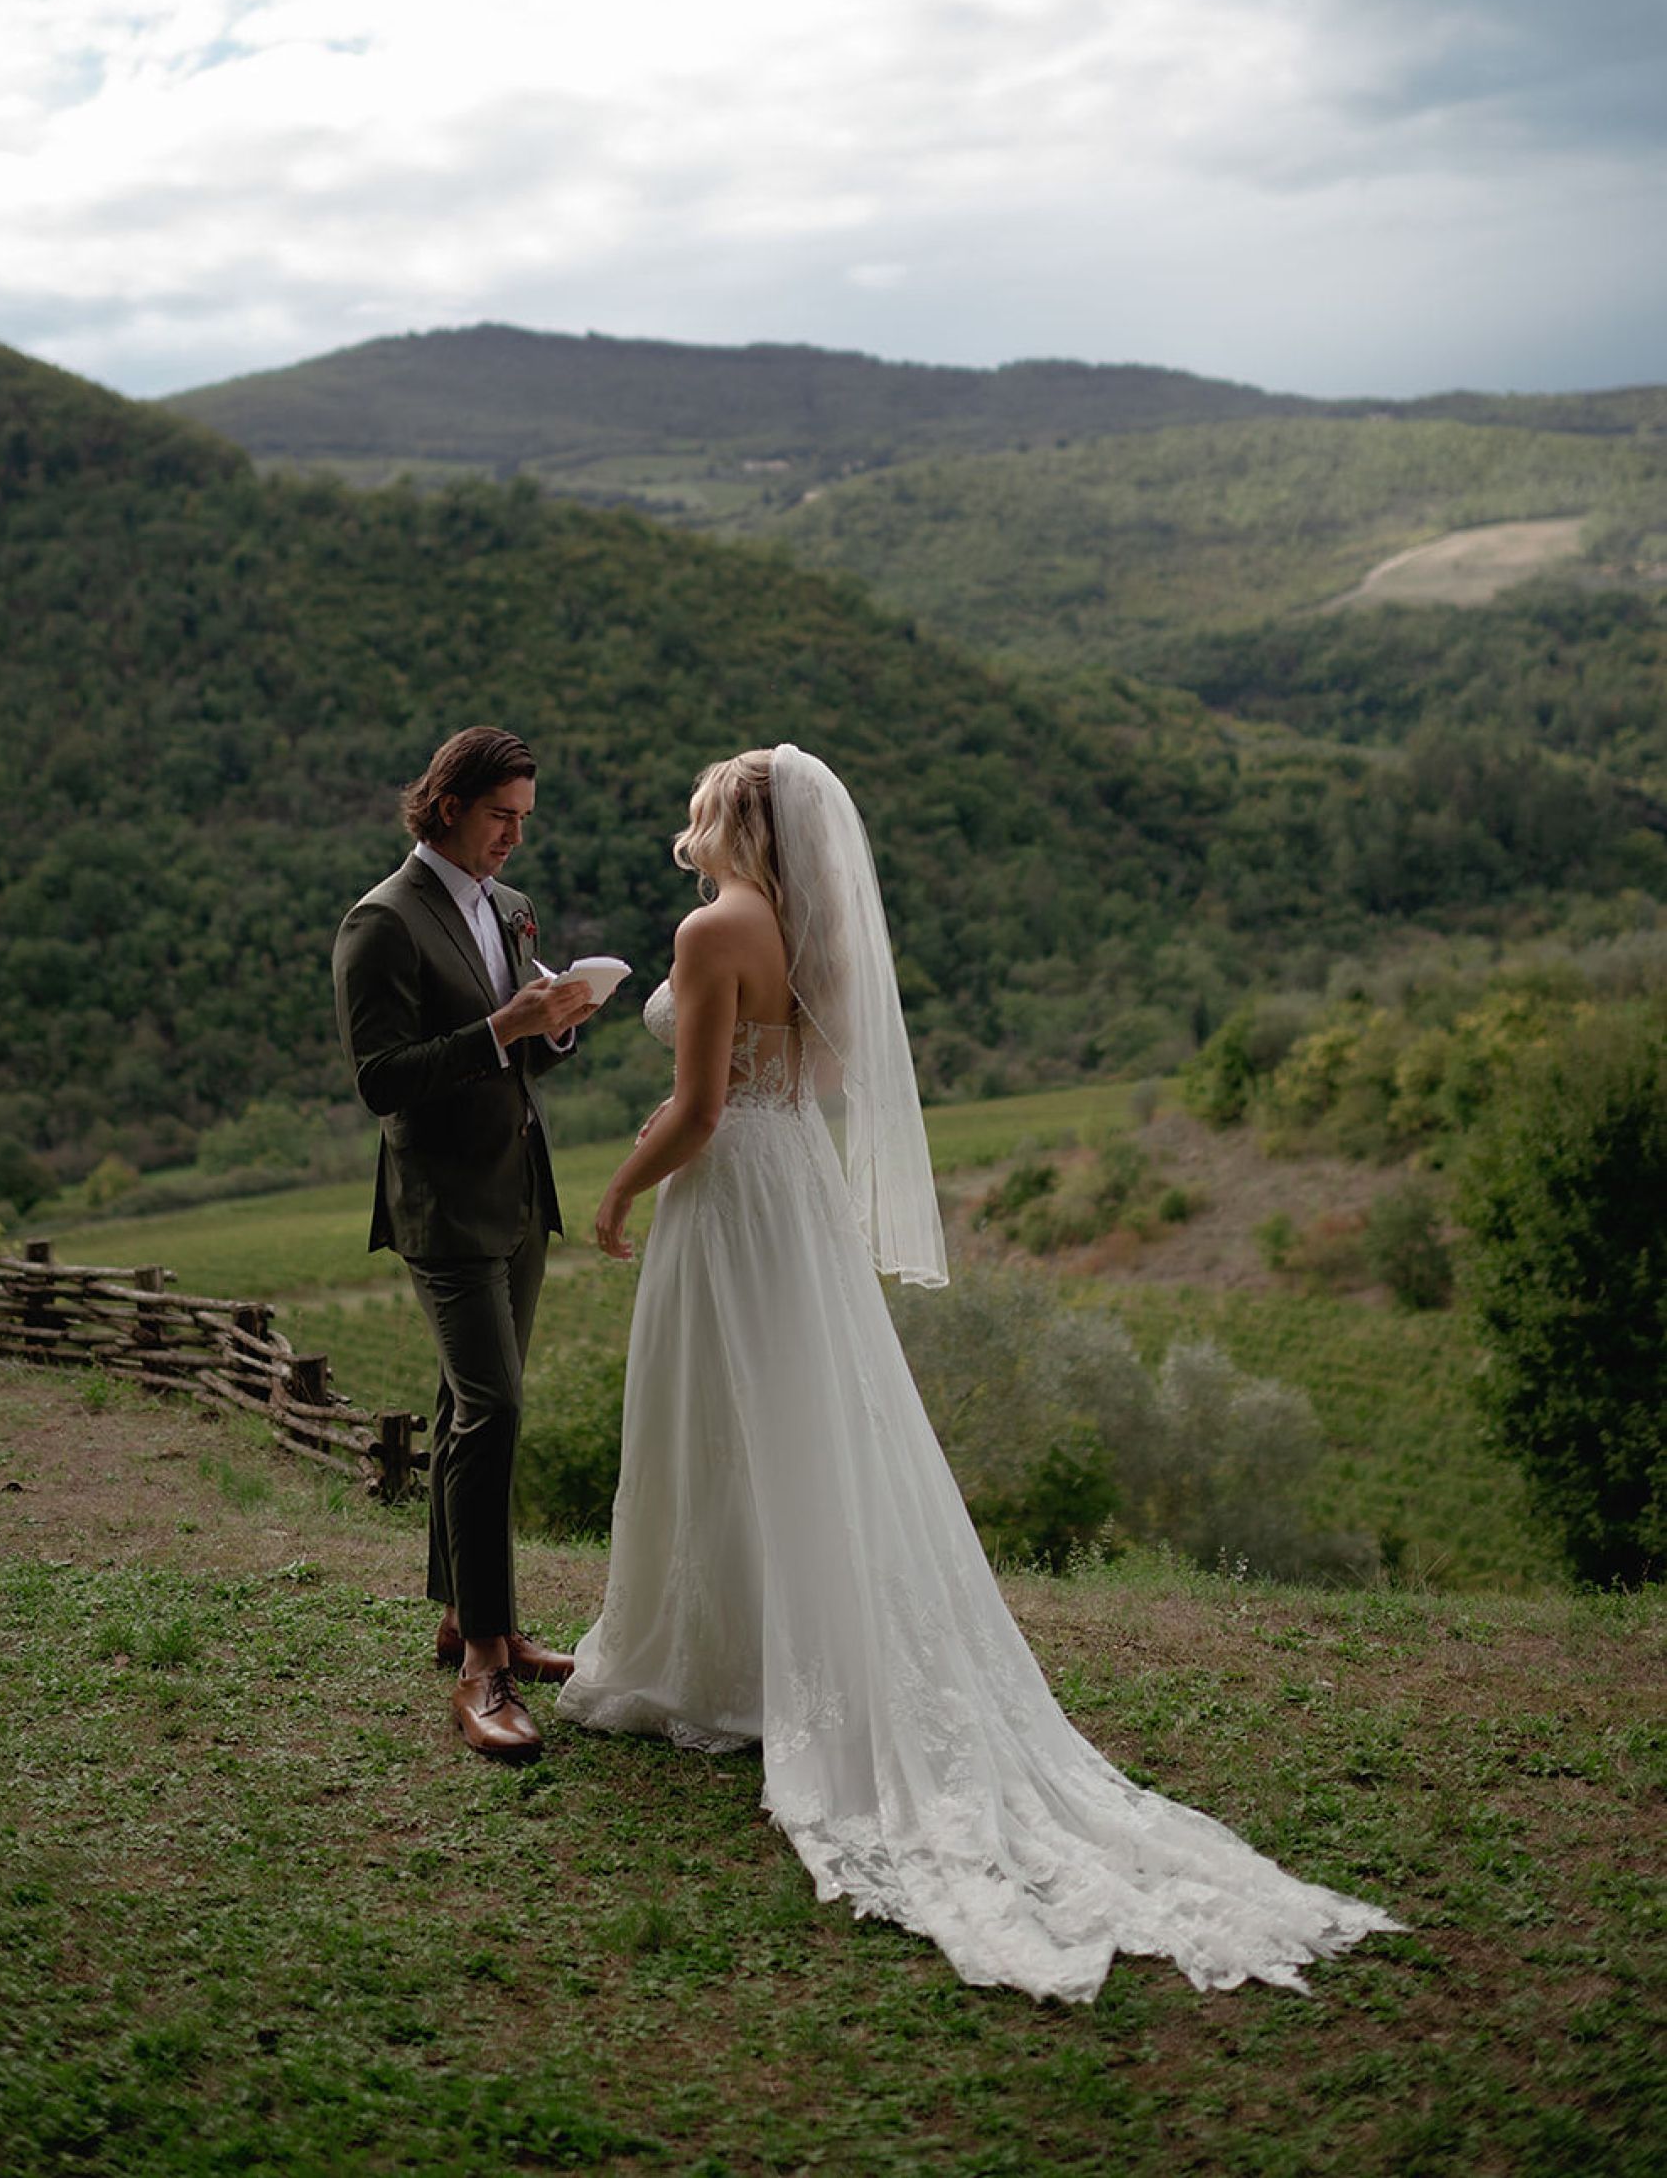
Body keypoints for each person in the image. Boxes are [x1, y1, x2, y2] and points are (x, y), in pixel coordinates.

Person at [559, 745, 1401, 2001]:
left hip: (730, 1194)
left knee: (713, 1417)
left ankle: (706, 1656)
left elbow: (692, 1111)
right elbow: (826, 1075)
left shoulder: (708, 931)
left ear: (728, 822)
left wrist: (623, 1185)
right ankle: (752, 1651)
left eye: (697, 817)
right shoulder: (805, 930)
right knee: (803, 1421)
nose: (688, 835)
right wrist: (753, 1099)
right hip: (797, 1192)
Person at [333, 725, 596, 1763]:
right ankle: (486, 1659)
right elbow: (382, 1078)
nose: (514, 837)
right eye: (501, 815)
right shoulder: (380, 921)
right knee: (494, 1407)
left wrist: (556, 1020)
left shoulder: (504, 908)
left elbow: (515, 1050)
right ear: (446, 803)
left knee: (464, 1405)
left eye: (525, 819)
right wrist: (501, 1028)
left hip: (519, 1189)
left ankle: (463, 1615)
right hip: (441, 1203)